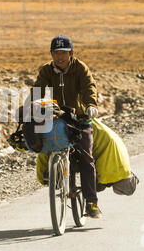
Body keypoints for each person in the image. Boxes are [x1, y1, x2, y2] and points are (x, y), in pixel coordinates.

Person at [31, 34, 101, 218]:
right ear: (51, 54)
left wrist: (91, 105)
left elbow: (89, 88)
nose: (60, 57)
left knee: (86, 157)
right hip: (58, 115)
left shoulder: (80, 68)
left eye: (64, 52)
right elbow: (38, 90)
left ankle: (92, 202)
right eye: (56, 53)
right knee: (42, 135)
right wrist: (33, 104)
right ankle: (51, 170)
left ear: (71, 53)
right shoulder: (47, 70)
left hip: (79, 117)